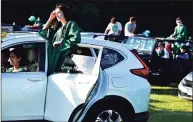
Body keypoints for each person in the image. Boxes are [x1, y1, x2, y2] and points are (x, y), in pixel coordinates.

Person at [38, 3, 81, 75]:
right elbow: (43, 33)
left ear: (64, 13)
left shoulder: (71, 24)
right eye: (56, 13)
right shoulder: (58, 29)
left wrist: (60, 43)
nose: (56, 15)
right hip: (53, 59)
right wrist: (50, 18)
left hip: (64, 62)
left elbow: (76, 38)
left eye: (59, 12)